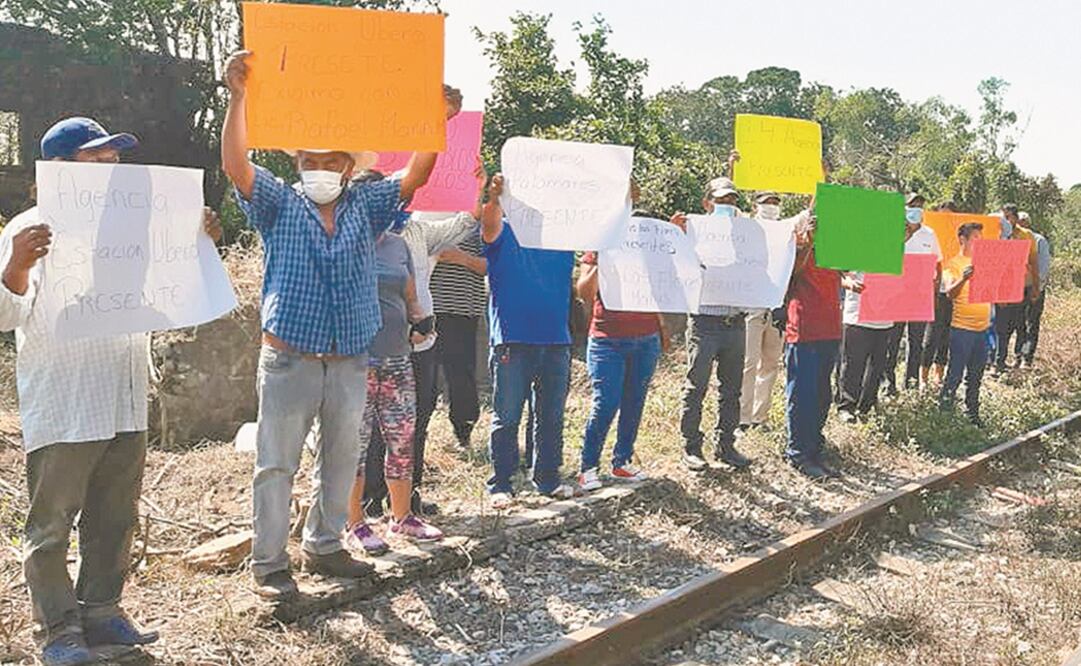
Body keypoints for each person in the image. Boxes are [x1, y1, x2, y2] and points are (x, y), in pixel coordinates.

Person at [220, 49, 461, 599]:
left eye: (331, 162)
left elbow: (413, 176)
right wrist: (238, 97)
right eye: (310, 161)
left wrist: (437, 122)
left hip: (350, 358)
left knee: (341, 458)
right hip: (289, 359)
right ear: (297, 164)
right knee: (275, 465)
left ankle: (325, 546)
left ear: (349, 167)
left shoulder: (368, 205)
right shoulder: (279, 204)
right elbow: (237, 166)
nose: (320, 170)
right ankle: (269, 563)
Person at [0, 117, 221, 666]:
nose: (110, 167)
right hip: (68, 398)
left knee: (115, 513)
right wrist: (16, 266)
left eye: (113, 159)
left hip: (124, 392)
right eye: (95, 159)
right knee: (52, 523)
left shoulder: (140, 225)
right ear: (59, 169)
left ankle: (102, 611)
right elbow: (7, 316)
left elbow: (174, 294)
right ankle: (57, 631)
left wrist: (199, 244)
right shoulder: (29, 228)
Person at [362, 176, 481, 518]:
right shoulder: (359, 237)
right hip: (377, 345)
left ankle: (408, 501)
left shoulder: (417, 233)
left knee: (416, 423)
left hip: (420, 343)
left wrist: (477, 188)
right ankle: (370, 500)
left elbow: (466, 222)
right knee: (372, 427)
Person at [480, 174, 576, 508]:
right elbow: (488, 226)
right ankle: (500, 485)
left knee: (551, 415)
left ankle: (547, 479)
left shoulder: (564, 237)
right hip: (512, 340)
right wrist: (494, 198)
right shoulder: (504, 229)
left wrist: (623, 199)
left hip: (556, 341)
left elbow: (605, 224)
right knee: (507, 416)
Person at [347, 230, 443, 554]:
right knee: (354, 445)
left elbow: (410, 295)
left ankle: (402, 516)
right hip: (355, 361)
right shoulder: (340, 241)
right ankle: (354, 523)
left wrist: (420, 320)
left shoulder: (397, 245)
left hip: (398, 357)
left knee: (403, 438)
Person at [574, 202, 673, 491]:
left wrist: (662, 326)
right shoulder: (600, 248)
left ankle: (622, 462)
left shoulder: (652, 255)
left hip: (646, 339)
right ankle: (587, 467)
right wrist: (605, 257)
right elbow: (584, 291)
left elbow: (661, 290)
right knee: (606, 403)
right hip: (608, 340)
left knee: (634, 402)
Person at [679, 176, 751, 472]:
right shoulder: (691, 233)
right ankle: (691, 447)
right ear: (707, 203)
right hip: (704, 322)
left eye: (732, 200)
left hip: (735, 322)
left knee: (732, 388)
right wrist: (678, 234)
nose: (727, 205)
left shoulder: (747, 235)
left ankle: (726, 445)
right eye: (721, 201)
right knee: (696, 386)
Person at [784, 210, 842, 479]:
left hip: (829, 328)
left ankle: (815, 448)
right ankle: (797, 453)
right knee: (802, 393)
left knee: (822, 394)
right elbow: (791, 273)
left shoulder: (834, 248)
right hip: (804, 329)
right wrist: (807, 242)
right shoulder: (797, 249)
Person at [430, 231, 488, 449]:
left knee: (461, 373)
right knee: (421, 376)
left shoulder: (478, 225)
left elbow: (492, 265)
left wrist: (460, 258)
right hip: (424, 308)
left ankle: (463, 433)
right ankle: (414, 436)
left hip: (463, 310)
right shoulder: (423, 218)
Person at [882, 193, 942, 391]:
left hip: (920, 297)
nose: (916, 209)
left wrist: (934, 292)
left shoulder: (930, 234)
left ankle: (911, 384)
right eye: (912, 205)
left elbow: (938, 263)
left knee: (916, 343)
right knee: (892, 341)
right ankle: (888, 384)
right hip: (895, 296)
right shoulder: (891, 231)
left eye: (920, 206)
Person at [739, 191, 787, 432]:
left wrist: (822, 177)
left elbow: (809, 213)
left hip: (777, 307)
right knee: (748, 361)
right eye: (766, 202)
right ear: (755, 205)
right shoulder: (747, 227)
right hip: (752, 305)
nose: (771, 207)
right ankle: (743, 418)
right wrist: (732, 169)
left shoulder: (786, 231)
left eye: (775, 203)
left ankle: (760, 417)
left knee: (770, 362)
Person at [939, 223, 992, 425]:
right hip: (962, 329)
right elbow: (949, 293)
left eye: (981, 238)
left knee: (976, 375)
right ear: (963, 239)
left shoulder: (986, 263)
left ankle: (972, 413)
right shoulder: (953, 264)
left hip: (983, 329)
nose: (979, 242)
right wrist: (964, 277)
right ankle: (944, 414)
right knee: (955, 374)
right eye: (975, 238)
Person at [836, 271, 892, 421]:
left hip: (885, 317)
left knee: (877, 367)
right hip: (857, 317)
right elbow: (836, 273)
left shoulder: (895, 250)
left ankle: (866, 407)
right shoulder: (855, 248)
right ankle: (846, 407)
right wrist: (848, 283)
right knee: (853, 364)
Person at [992, 203, 1040, 374]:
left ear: (1015, 218)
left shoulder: (1026, 235)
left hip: (1022, 286)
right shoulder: (994, 234)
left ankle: (1019, 359)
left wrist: (1036, 286)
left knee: (1020, 324)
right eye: (1002, 217)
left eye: (1008, 217)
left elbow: (1034, 261)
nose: (1005, 220)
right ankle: (998, 363)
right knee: (1001, 327)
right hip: (1002, 289)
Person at [921, 200, 960, 384]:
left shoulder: (961, 237)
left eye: (950, 215)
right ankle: (923, 376)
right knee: (930, 335)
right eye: (942, 214)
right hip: (932, 290)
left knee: (945, 334)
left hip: (952, 291)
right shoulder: (928, 235)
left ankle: (939, 374)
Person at [1015, 211, 1050, 368]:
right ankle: (1018, 356)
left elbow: (1042, 268)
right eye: (1018, 221)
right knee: (1018, 323)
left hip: (1034, 288)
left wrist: (1038, 289)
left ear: (1028, 223)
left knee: (1032, 323)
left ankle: (1026, 358)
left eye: (1023, 221)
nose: (1020, 224)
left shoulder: (1038, 240)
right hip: (1017, 289)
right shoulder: (1013, 240)